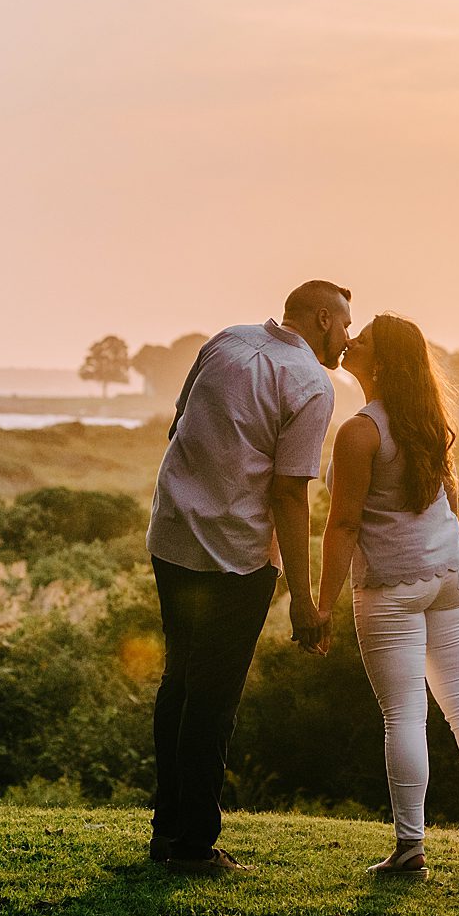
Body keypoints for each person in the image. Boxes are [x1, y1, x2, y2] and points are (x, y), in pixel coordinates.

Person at [146, 280, 351, 874]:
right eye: (344, 325)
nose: (348, 337)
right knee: (212, 700)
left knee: (179, 684)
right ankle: (193, 846)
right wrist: (302, 598)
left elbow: (178, 424)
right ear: (322, 319)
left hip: (173, 536)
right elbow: (289, 493)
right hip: (235, 557)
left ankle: (168, 831)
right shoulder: (311, 383)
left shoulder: (225, 341)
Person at [316, 313, 459, 886]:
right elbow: (450, 499)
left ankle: (410, 847)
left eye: (362, 340)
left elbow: (343, 525)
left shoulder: (360, 432)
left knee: (404, 714)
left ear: (381, 364)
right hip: (451, 572)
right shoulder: (429, 422)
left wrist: (321, 605)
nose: (350, 342)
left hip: (391, 584)